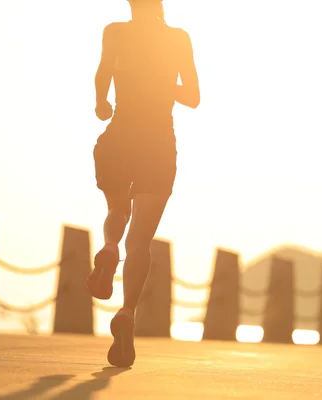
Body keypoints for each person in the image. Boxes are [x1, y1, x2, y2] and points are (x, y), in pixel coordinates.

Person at [86, 0, 200, 368]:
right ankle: (127, 313)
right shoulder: (179, 39)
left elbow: (102, 74)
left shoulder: (115, 32)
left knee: (117, 209)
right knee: (140, 242)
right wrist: (165, 86)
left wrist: (102, 102)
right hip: (157, 145)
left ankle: (107, 247)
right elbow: (193, 97)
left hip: (119, 137)